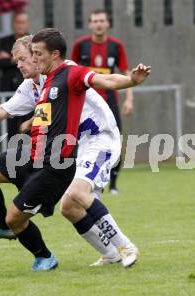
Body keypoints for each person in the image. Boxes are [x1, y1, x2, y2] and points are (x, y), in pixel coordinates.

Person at [0, 29, 150, 271]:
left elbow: (104, 80)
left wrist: (132, 81)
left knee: (79, 194)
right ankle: (111, 254)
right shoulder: (35, 85)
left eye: (26, 56)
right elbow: (10, 110)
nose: (21, 63)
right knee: (69, 207)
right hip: (72, 147)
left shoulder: (68, 72)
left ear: (42, 54)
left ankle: (125, 246)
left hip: (99, 139)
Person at [71, 9, 134, 194]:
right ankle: (83, 180)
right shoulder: (80, 45)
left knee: (114, 140)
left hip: (109, 102)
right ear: (90, 24)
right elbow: (70, 72)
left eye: (102, 21)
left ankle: (113, 184)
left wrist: (129, 99)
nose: (98, 24)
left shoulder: (116, 46)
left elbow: (126, 73)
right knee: (80, 141)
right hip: (85, 104)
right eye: (95, 21)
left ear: (107, 23)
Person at [0, 12, 32, 141]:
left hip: (29, 90)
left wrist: (10, 58)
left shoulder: (33, 41)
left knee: (29, 126)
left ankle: (30, 157)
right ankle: (12, 157)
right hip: (10, 89)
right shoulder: (5, 41)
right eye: (17, 22)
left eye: (23, 22)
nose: (20, 25)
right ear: (13, 24)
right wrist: (19, 59)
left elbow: (34, 61)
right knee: (11, 127)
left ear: (27, 24)